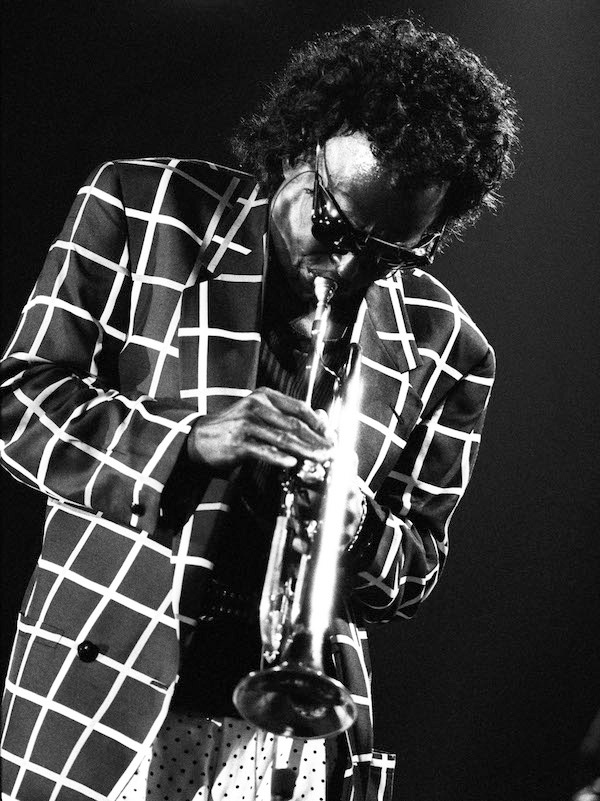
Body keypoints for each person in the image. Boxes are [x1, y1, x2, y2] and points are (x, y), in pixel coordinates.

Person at [0, 17, 518, 801]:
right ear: (298, 147)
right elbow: (18, 403)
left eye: (389, 253)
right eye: (335, 223)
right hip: (102, 690)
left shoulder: (451, 345)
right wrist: (185, 440)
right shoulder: (147, 208)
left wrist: (360, 527)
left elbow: (413, 571)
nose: (347, 265)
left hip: (289, 736)